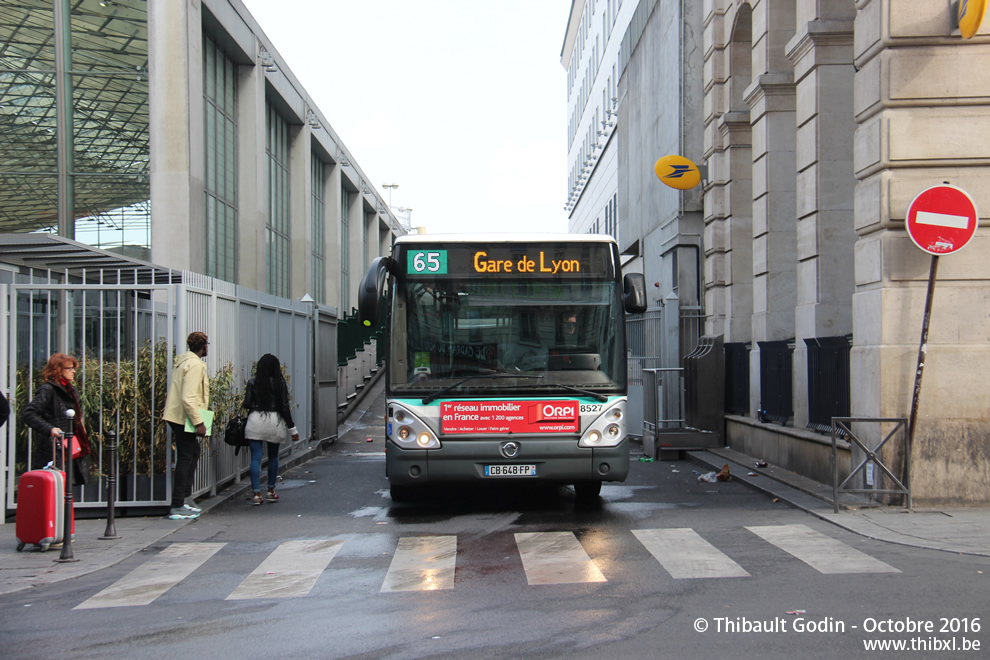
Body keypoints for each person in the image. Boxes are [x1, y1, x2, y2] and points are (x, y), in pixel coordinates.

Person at [22, 353, 93, 486]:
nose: (73, 371)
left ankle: (65, 507)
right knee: (56, 485)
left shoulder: (71, 389)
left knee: (67, 486)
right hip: (55, 445)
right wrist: (50, 429)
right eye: (70, 368)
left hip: (71, 442)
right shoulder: (48, 389)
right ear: (58, 370)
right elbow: (29, 414)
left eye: (74, 368)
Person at [162, 332, 210, 520]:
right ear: (203, 346)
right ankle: (178, 503)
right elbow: (188, 397)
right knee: (185, 458)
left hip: (177, 415)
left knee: (192, 454)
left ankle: (185, 499)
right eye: (207, 344)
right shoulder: (195, 365)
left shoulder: (182, 362)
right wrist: (200, 422)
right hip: (185, 417)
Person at [242, 354, 298, 506]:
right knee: (273, 457)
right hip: (274, 421)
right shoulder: (280, 383)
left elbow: (246, 403)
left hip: (255, 420)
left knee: (255, 458)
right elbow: (285, 407)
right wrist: (292, 429)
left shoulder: (253, 382)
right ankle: (271, 491)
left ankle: (256, 494)